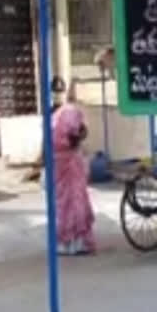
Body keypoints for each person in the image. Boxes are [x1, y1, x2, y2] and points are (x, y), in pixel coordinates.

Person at [52, 79, 95, 255]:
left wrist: (75, 139)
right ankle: (70, 241)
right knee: (68, 202)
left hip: (67, 162)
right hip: (65, 162)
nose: (59, 95)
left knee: (72, 201)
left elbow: (82, 132)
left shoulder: (64, 113)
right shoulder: (61, 113)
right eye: (56, 91)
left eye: (60, 91)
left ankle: (74, 241)